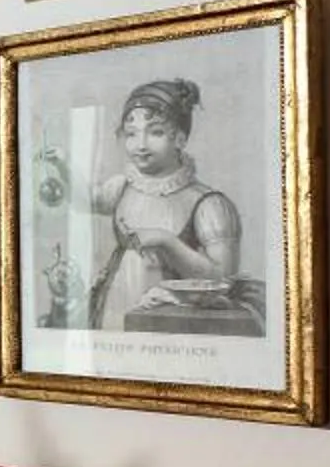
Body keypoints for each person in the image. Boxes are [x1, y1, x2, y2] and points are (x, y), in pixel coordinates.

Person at [81, 79, 241, 331]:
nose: (141, 145)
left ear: (179, 138)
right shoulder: (123, 186)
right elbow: (85, 201)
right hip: (113, 310)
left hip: (169, 324)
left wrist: (166, 240)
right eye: (131, 133)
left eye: (155, 132)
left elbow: (223, 279)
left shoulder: (209, 204)